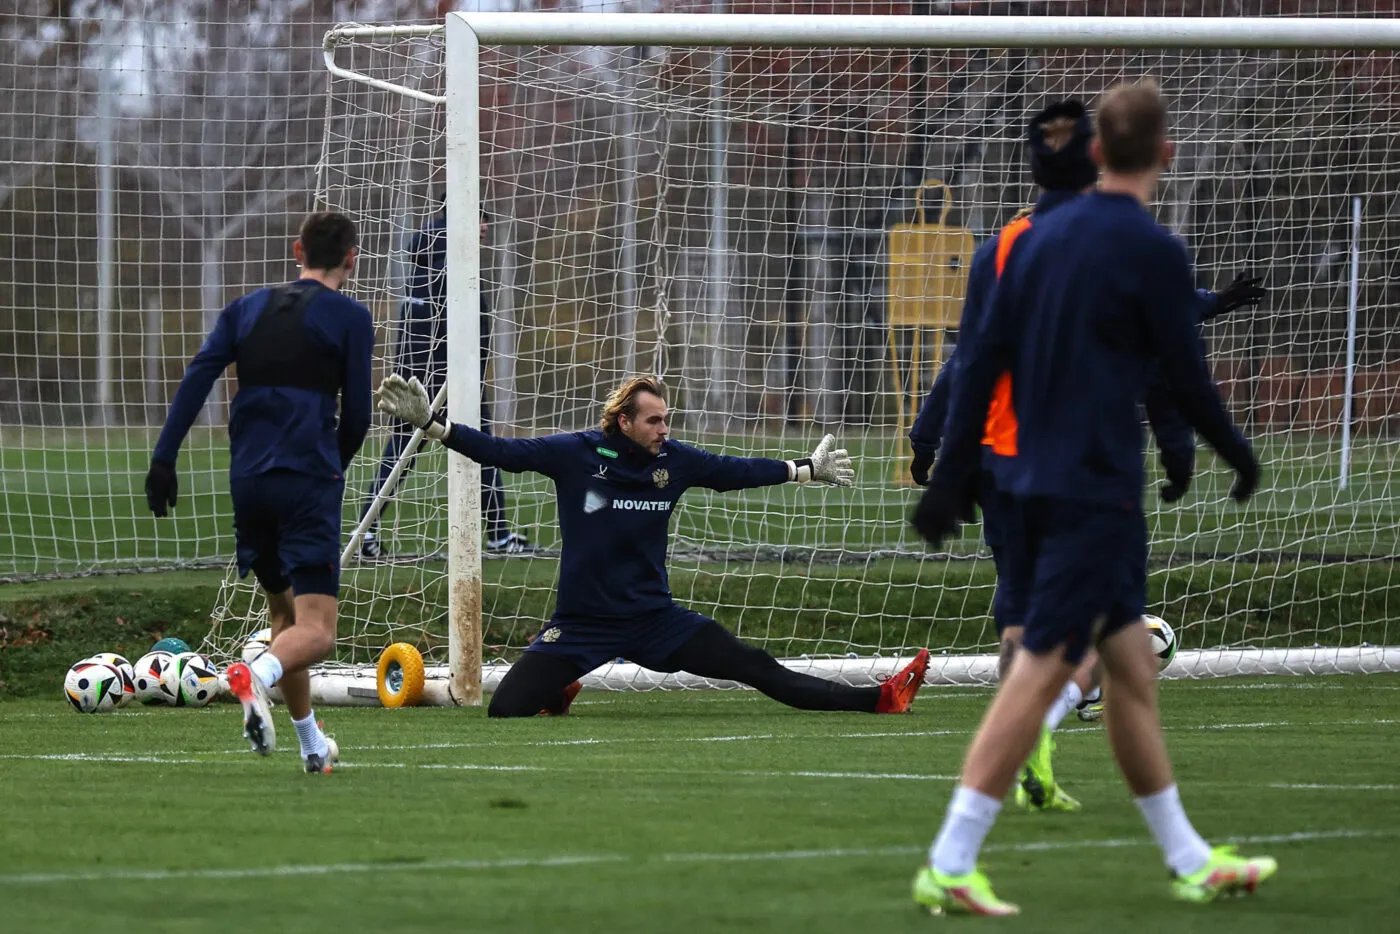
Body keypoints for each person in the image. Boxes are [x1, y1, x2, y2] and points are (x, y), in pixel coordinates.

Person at [908, 81, 1275, 915]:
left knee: (1132, 670)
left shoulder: (1028, 240)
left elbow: (978, 358)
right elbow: (1181, 374)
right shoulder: (1152, 250)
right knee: (1040, 673)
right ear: (1166, 155)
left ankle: (1187, 858)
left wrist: (950, 470)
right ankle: (952, 858)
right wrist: (1232, 453)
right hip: (1091, 492)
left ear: (1097, 152)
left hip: (1030, 478)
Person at [375, 371, 931, 717]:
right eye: (654, 420)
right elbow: (503, 453)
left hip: (653, 619)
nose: (665, 428)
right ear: (623, 421)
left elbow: (733, 470)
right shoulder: (576, 453)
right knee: (507, 710)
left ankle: (879, 697)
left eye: (667, 419)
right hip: (583, 622)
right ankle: (560, 685)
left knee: (756, 666)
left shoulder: (676, 461)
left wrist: (804, 470)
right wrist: (433, 425)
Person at [145, 212, 374, 773]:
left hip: (248, 481)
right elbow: (360, 415)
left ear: (298, 250)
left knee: (285, 616)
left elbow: (198, 376)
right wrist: (333, 468)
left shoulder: (245, 308)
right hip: (306, 480)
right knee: (317, 632)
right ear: (352, 258)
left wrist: (163, 458)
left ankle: (311, 747)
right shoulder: (350, 316)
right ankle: (256, 674)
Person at [358, 204, 533, 558]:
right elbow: (463, 326)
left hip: (418, 375)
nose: (484, 225)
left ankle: (365, 534)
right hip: (446, 378)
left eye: (486, 217)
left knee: (404, 452)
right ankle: (497, 536)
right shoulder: (449, 260)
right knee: (477, 447)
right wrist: (469, 376)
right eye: (478, 216)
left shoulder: (426, 254)